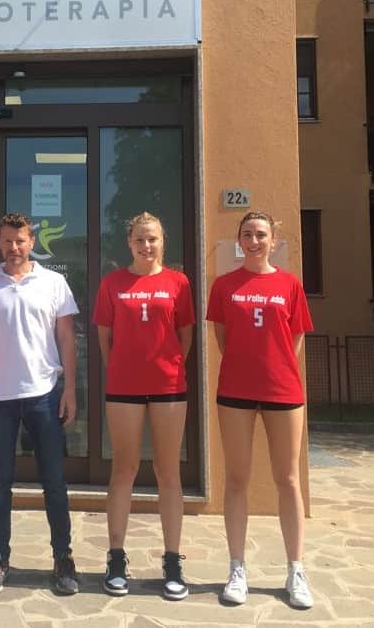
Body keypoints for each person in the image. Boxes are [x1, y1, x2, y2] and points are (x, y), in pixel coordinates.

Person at [0, 213, 79, 596]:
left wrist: (70, 390)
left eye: (21, 241)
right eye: (7, 241)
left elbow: (67, 340)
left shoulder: (54, 283)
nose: (14, 248)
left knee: (55, 484)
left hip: (44, 395)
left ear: (33, 242)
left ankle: (63, 559)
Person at [206, 210, 314, 609]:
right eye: (247, 234)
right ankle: (237, 568)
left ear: (273, 240)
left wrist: (276, 368)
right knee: (237, 480)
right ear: (239, 240)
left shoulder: (289, 285)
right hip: (235, 390)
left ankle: (296, 569)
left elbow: (296, 336)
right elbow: (222, 336)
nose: (254, 241)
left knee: (287, 480)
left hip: (284, 392)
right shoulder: (224, 286)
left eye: (261, 234)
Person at [93, 212, 194, 600]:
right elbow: (105, 338)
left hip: (169, 387)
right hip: (124, 389)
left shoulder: (178, 282)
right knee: (124, 469)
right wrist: (123, 369)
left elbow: (183, 336)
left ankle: (172, 561)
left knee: (169, 473)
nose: (146, 246)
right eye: (139, 240)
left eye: (152, 239)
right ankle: (116, 558)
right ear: (129, 243)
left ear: (162, 241)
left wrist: (164, 367)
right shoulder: (113, 283)